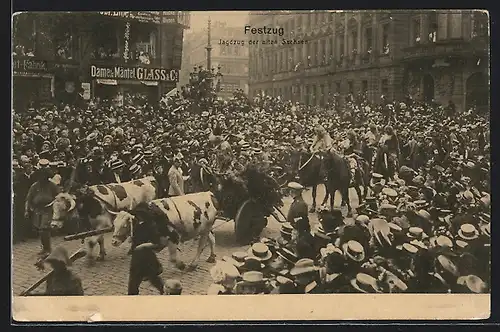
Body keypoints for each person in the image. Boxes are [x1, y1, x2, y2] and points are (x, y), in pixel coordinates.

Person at [25, 159, 60, 255]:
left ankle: (48, 249)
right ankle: (44, 248)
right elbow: (28, 198)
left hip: (48, 209)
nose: (42, 178)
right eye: (41, 176)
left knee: (45, 229)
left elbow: (59, 196)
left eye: (44, 176)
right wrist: (27, 210)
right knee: (40, 230)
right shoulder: (34, 186)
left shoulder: (52, 185)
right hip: (37, 209)